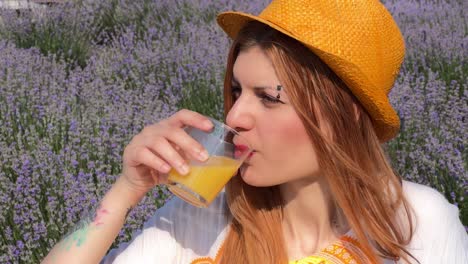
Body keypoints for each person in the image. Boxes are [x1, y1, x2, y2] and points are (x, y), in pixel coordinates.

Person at [43, 0, 468, 263]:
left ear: (345, 115)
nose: (237, 114)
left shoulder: (413, 223)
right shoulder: (204, 216)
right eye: (235, 90)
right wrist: (124, 192)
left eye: (268, 96)